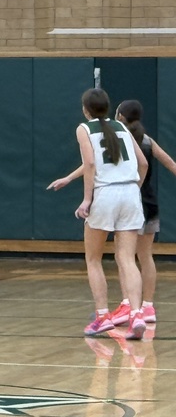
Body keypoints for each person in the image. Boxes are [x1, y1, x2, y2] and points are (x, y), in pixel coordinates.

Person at [50, 98, 176, 328]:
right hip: (130, 193)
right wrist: (132, 190)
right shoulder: (123, 129)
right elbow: (144, 165)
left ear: (85, 109)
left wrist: (87, 199)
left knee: (93, 259)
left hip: (106, 193)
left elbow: (89, 164)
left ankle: (102, 316)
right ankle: (137, 313)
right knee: (129, 258)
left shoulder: (84, 128)